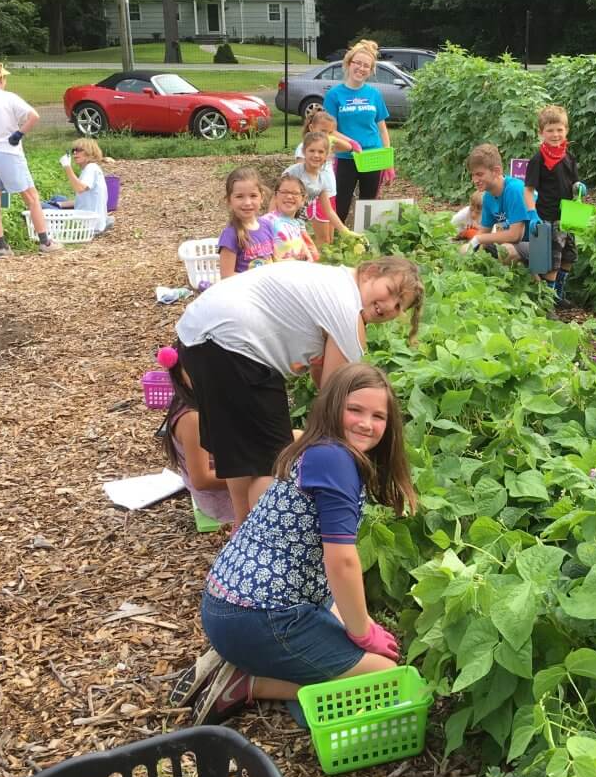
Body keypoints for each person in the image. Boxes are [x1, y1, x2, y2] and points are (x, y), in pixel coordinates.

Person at [185, 364, 415, 725]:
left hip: (231, 605)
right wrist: (363, 633)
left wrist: (359, 625)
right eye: (355, 410)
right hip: (259, 617)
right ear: (333, 407)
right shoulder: (337, 461)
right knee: (385, 674)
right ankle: (248, 682)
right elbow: (342, 562)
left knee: (355, 634)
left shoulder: (317, 448)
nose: (366, 424)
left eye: (378, 416)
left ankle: (250, 660)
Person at [175, 256, 423, 526]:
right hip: (235, 343)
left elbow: (322, 376)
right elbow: (333, 398)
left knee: (242, 450)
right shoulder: (349, 311)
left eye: (399, 306)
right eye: (391, 291)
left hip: (198, 336)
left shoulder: (333, 281)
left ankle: (243, 527)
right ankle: (264, 535)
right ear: (371, 272)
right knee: (272, 459)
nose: (389, 306)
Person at [0, 62, 62, 257]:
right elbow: (34, 116)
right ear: (2, 79)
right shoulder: (9, 98)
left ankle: (2, 248)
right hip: (8, 153)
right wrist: (18, 134)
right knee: (31, 197)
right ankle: (45, 242)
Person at [156, 345, 234, 530]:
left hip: (231, 485)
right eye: (197, 370)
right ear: (180, 375)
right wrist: (255, 471)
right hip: (224, 502)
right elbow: (202, 480)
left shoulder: (201, 401)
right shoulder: (192, 419)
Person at [324, 40, 394, 223]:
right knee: (340, 205)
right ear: (348, 64)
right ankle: (336, 238)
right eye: (358, 63)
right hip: (346, 157)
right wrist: (350, 143)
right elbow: (329, 130)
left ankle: (365, 239)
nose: (361, 69)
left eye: (366, 66)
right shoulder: (334, 95)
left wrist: (388, 162)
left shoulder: (374, 94)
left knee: (368, 207)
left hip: (373, 157)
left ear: (370, 71)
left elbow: (382, 130)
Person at [524, 105, 583, 302]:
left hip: (568, 216)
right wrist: (532, 214)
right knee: (551, 262)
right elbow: (528, 190)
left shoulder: (569, 157)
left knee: (568, 257)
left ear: (566, 130)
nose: (555, 134)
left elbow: (574, 183)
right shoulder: (538, 159)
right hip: (548, 217)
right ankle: (548, 304)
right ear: (541, 133)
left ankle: (558, 295)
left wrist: (579, 187)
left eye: (559, 129)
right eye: (550, 130)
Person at [461, 143, 539, 265]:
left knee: (506, 251)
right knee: (474, 249)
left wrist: (478, 239)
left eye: (479, 174)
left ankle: (530, 275)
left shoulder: (514, 189)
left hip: (543, 243)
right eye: (473, 175)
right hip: (521, 244)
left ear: (496, 171)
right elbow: (484, 232)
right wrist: (471, 246)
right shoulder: (488, 197)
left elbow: (515, 235)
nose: (474, 180)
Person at [283, 132, 357, 247]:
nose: (316, 155)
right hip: (283, 223)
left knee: (310, 253)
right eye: (312, 151)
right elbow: (276, 199)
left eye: (321, 152)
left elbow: (329, 211)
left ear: (327, 155)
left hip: (299, 223)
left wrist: (345, 231)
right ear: (304, 152)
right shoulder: (293, 172)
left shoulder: (323, 178)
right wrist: (272, 224)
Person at [218, 166, 275, 278]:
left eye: (253, 196)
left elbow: (274, 261)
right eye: (239, 196)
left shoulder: (267, 225)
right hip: (245, 288)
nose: (247, 202)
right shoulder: (230, 235)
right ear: (229, 200)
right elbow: (226, 276)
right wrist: (258, 278)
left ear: (261, 197)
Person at [54, 139, 111, 232]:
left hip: (88, 223)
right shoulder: (90, 169)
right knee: (57, 199)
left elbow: (79, 188)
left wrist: (67, 167)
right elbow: (83, 200)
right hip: (92, 218)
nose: (75, 153)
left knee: (42, 207)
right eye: (74, 150)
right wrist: (59, 204)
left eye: (79, 150)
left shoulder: (91, 168)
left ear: (90, 153)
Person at [263, 175, 318, 263]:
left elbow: (307, 255)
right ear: (275, 196)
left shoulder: (296, 224)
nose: (289, 196)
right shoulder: (266, 222)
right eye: (284, 192)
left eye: (295, 193)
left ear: (303, 199)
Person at [295, 104, 360, 160]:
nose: (326, 135)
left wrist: (334, 139)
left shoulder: (328, 146)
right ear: (311, 128)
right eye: (323, 131)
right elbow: (300, 168)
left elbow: (349, 147)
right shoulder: (303, 147)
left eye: (330, 132)